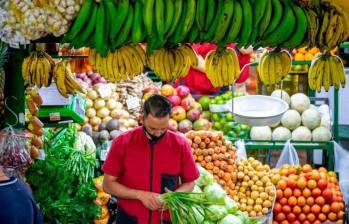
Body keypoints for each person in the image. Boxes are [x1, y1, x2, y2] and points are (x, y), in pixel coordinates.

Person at [102, 94, 200, 224]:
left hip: (165, 219)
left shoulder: (180, 144)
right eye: (153, 128)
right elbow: (108, 185)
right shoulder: (122, 142)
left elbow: (190, 183)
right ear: (142, 118)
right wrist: (140, 195)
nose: (158, 133)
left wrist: (173, 196)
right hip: (129, 218)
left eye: (163, 128)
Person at [175, 43, 253, 96]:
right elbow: (196, 62)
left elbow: (247, 49)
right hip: (193, 87)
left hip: (221, 86)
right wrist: (222, 71)